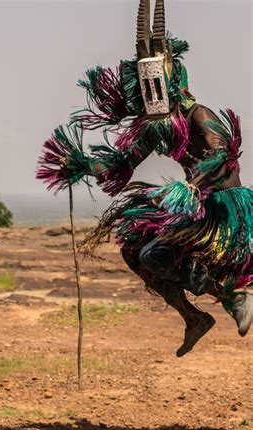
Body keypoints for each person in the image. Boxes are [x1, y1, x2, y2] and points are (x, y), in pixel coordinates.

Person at [38, 0, 251, 358]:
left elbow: (222, 153)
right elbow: (119, 167)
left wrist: (192, 185)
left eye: (158, 90)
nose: (153, 99)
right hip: (197, 209)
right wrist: (77, 165)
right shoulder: (156, 128)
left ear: (172, 85)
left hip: (228, 213)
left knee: (157, 253)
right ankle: (193, 316)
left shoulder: (199, 114)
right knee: (136, 251)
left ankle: (233, 294)